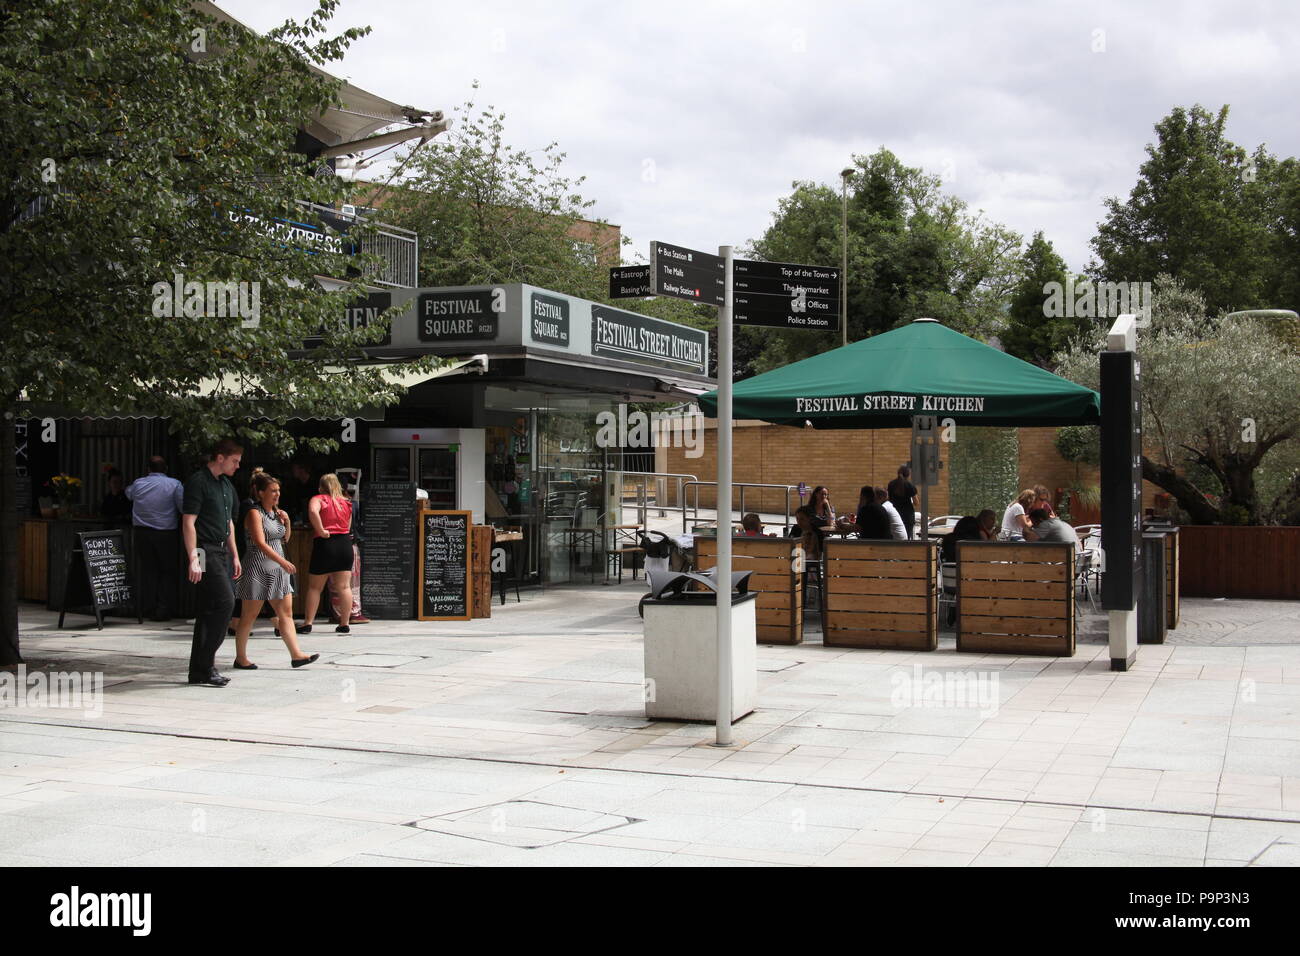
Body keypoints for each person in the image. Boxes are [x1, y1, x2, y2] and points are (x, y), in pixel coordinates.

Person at [232, 473, 318, 669]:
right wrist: (283, 562)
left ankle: (296, 654)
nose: (277, 494)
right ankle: (241, 657)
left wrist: (286, 522)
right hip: (258, 567)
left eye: (278, 490)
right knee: (249, 615)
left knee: (285, 613)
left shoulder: (276, 512)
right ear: (261, 493)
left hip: (277, 568)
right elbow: (260, 543)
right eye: (273, 491)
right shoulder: (254, 513)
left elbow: (284, 539)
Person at [182, 439, 243, 687]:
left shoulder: (226, 485)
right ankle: (206, 664)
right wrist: (193, 559)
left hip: (220, 551)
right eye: (234, 461)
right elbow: (188, 522)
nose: (238, 466)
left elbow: (229, 522)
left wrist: (236, 554)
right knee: (226, 602)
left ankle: (199, 670)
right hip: (204, 550)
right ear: (220, 457)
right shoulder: (199, 482)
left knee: (209, 608)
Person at [126, 456, 184, 620]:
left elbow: (128, 494)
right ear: (165, 469)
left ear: (148, 469)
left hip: (142, 533)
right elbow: (182, 507)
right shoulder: (175, 484)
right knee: (167, 572)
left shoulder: (138, 483)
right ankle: (163, 609)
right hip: (166, 534)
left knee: (149, 571)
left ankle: (148, 608)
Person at [300, 473, 354, 634]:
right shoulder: (346, 502)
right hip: (344, 544)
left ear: (320, 486)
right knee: (344, 587)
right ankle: (344, 623)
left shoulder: (318, 499)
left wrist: (321, 529)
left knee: (315, 587)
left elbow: (312, 512)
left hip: (325, 543)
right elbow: (348, 526)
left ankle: (308, 622)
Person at [887, 465, 918, 540]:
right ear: (908, 475)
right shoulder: (910, 485)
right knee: (906, 539)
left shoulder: (891, 484)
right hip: (907, 516)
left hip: (895, 515)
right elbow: (916, 502)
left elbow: (889, 499)